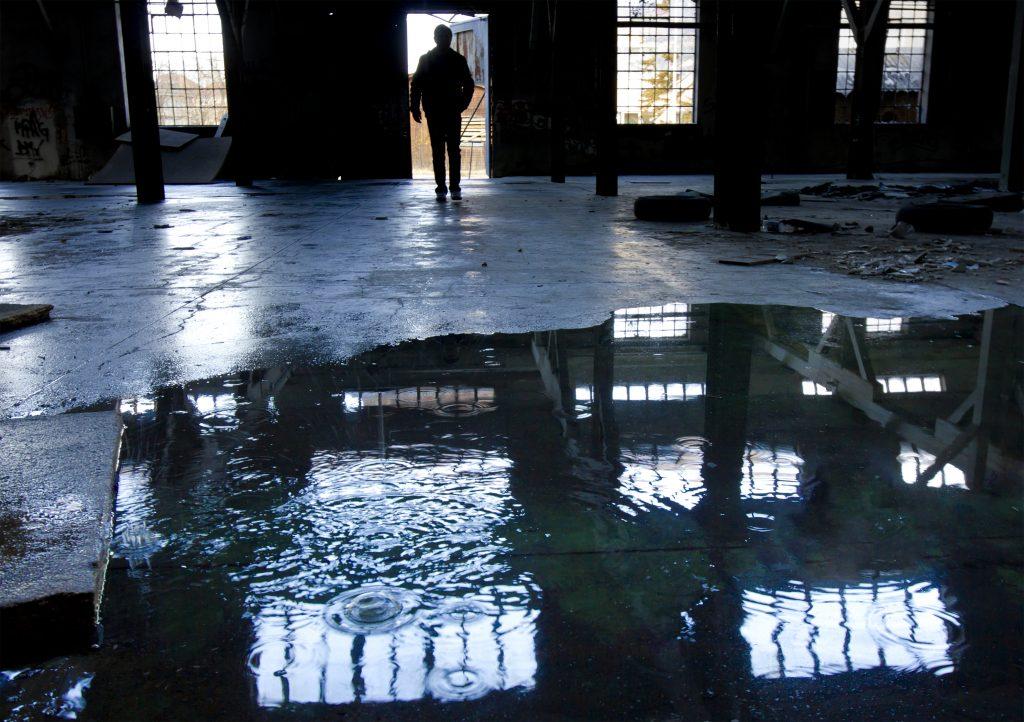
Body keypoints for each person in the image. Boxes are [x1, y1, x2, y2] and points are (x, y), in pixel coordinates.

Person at [410, 25, 475, 202]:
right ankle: (453, 188)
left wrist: (415, 107)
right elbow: (468, 84)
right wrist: (462, 104)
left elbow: (416, 85)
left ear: (436, 38)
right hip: (449, 110)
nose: (443, 40)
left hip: (436, 111)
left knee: (439, 150)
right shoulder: (457, 59)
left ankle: (443, 188)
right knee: (452, 150)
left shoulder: (427, 60)